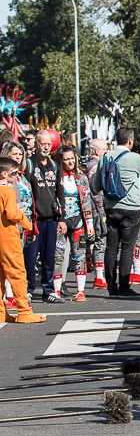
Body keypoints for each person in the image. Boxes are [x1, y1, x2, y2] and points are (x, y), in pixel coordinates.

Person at [90, 127, 140, 297]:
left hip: (111, 208)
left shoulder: (105, 157)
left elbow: (96, 186)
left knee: (111, 248)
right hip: (131, 208)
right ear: (130, 140)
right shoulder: (134, 157)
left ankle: (111, 287)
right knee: (127, 248)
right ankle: (124, 286)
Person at [0, 156, 44, 323]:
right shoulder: (8, 191)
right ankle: (24, 310)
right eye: (13, 173)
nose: (16, 175)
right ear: (4, 174)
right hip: (8, 237)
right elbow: (11, 214)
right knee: (17, 273)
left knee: (0, 276)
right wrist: (26, 221)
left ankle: (1, 312)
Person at [24, 130, 65, 303]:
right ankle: (28, 290)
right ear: (36, 144)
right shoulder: (29, 164)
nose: (46, 147)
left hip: (51, 219)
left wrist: (62, 219)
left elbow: (60, 192)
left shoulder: (55, 166)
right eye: (43, 144)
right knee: (30, 258)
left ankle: (48, 290)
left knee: (49, 257)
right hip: (34, 220)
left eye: (49, 144)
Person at [53, 145, 97, 301]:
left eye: (72, 158)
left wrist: (90, 225)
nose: (70, 162)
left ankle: (80, 291)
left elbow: (86, 203)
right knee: (58, 257)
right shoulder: (56, 178)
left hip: (78, 223)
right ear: (60, 160)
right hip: (61, 223)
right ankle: (56, 290)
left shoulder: (82, 178)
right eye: (67, 159)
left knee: (79, 256)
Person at [1, 142, 34, 308]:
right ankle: (15, 300)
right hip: (11, 227)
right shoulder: (7, 184)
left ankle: (10, 297)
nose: (18, 157)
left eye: (20, 154)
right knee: (13, 266)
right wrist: (22, 217)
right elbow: (11, 211)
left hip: (19, 226)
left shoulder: (21, 177)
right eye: (15, 154)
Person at [86, 139, 109, 288]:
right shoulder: (95, 167)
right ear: (97, 151)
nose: (107, 152)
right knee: (101, 239)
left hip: (98, 206)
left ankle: (100, 270)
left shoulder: (93, 165)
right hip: (97, 206)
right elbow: (97, 187)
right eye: (105, 149)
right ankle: (99, 276)